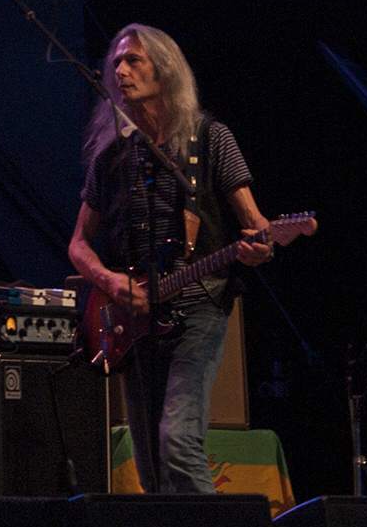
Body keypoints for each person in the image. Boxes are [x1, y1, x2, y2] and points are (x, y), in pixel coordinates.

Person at [68, 24, 274, 494]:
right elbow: (78, 244)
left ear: (164, 69)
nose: (120, 71)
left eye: (133, 60)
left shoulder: (211, 139)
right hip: (134, 320)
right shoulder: (111, 158)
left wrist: (262, 246)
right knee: (152, 473)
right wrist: (110, 281)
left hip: (199, 308)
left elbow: (257, 226)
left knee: (178, 442)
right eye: (116, 63)